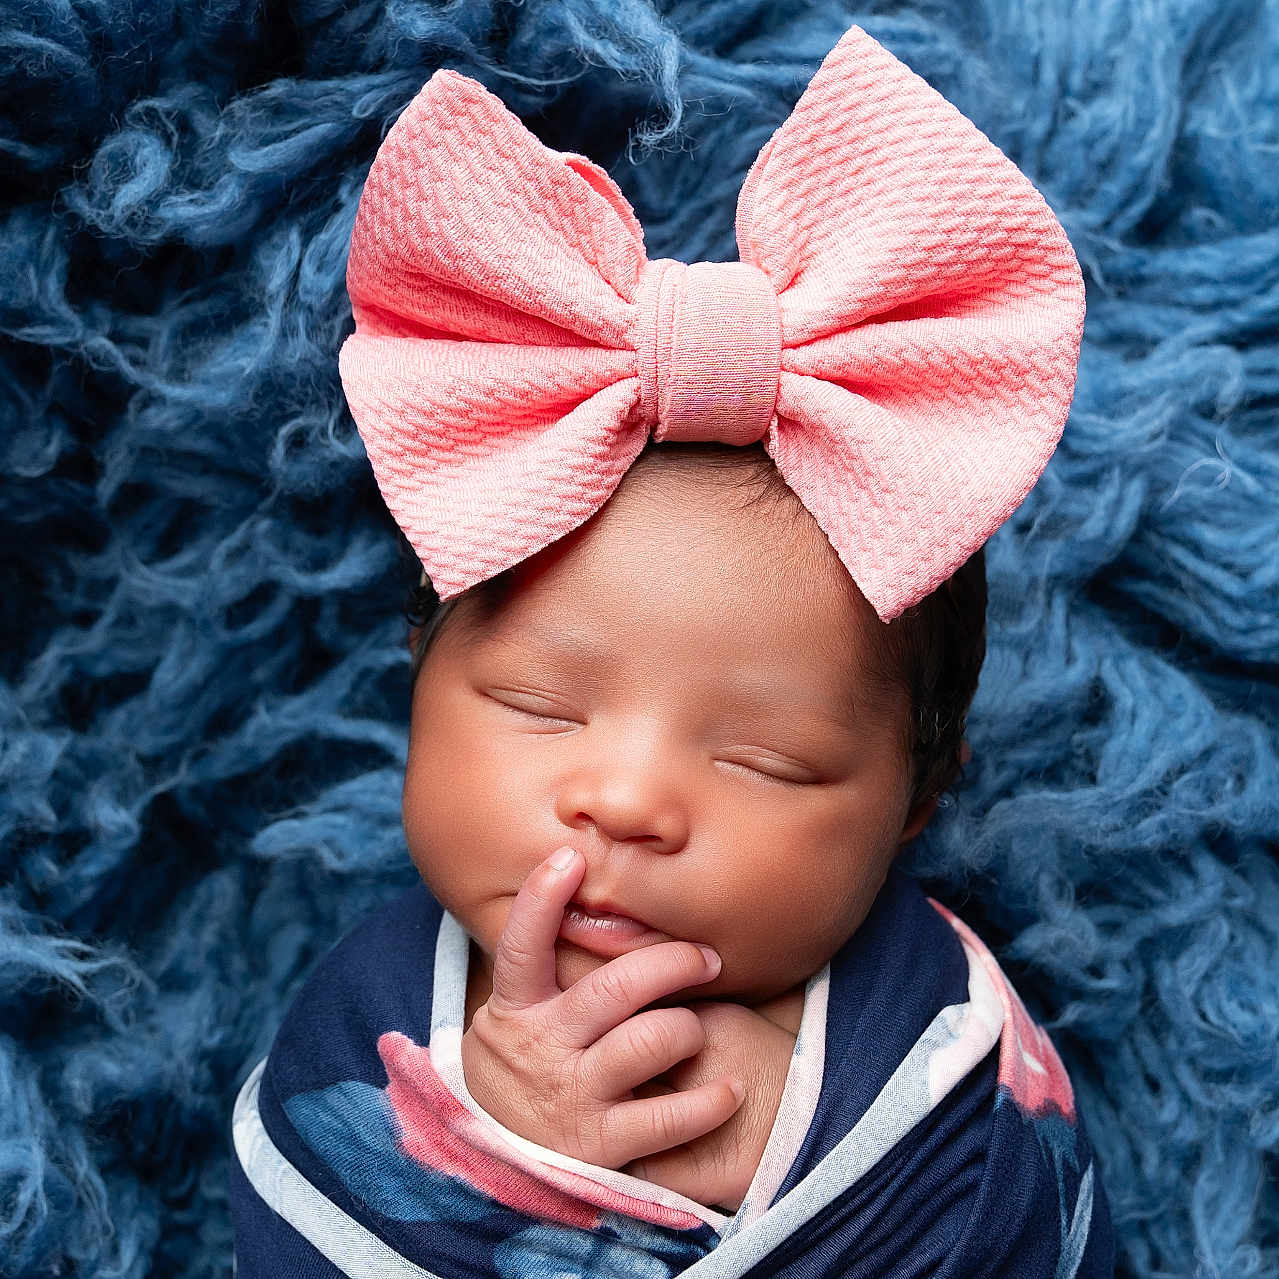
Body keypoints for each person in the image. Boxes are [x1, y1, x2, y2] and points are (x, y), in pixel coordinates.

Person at [229, 22, 1116, 1277]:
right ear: (417, 664)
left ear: (918, 798)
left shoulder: (946, 1062)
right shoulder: (364, 1017)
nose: (629, 800)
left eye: (764, 759)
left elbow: (1040, 1217)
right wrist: (494, 1155)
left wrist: (789, 1135)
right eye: (539, 703)